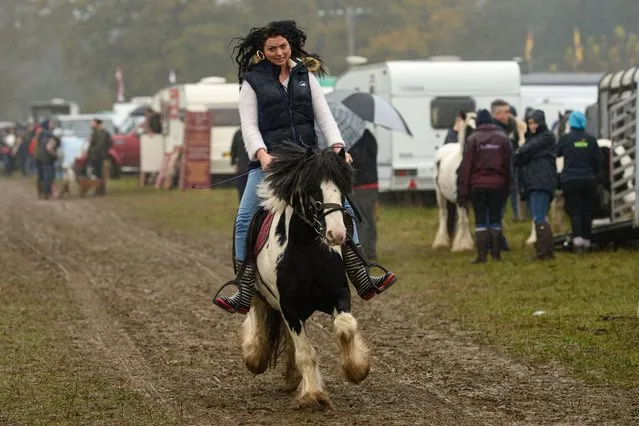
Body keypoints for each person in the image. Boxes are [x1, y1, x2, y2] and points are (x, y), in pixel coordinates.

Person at [212, 20, 396, 315]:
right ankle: (244, 286)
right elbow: (248, 125)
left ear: (290, 46)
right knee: (245, 217)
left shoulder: (304, 75)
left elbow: (324, 117)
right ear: (262, 50)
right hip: (270, 162)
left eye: (283, 46)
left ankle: (361, 272)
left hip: (307, 160)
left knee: (343, 208)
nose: (279, 52)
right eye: (272, 48)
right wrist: (261, 155)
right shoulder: (252, 81)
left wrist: (338, 147)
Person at [457, 109, 512, 263]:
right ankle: (496, 254)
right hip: (498, 185)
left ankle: (482, 256)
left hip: (478, 186)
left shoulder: (473, 139)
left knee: (481, 219)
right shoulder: (503, 138)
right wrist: (509, 185)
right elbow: (508, 164)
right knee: (496, 219)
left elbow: (466, 167)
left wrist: (463, 190)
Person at [556, 111, 602, 253]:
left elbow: (556, 153)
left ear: (571, 123)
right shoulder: (591, 140)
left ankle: (578, 242)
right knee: (587, 212)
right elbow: (599, 161)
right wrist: (592, 174)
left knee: (575, 211)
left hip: (570, 180)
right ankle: (587, 242)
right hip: (588, 180)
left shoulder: (565, 139)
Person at [514, 109, 557, 260]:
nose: (532, 126)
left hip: (541, 181)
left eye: (534, 122)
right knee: (539, 216)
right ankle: (545, 250)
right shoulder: (536, 139)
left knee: (539, 216)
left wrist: (520, 152)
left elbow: (525, 151)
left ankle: (544, 252)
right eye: (530, 123)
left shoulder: (546, 137)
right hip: (535, 182)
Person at [349, 129, 379, 260]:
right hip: (372, 184)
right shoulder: (369, 136)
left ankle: (364, 251)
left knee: (362, 219)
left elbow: (360, 161)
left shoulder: (356, 140)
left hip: (362, 185)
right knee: (369, 218)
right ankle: (371, 249)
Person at [34, 118, 60, 199]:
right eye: (51, 123)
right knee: (49, 176)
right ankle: (46, 193)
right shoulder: (50, 136)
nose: (52, 124)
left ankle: (40, 193)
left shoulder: (40, 135)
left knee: (41, 176)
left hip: (38, 158)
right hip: (47, 159)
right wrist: (56, 155)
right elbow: (49, 148)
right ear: (47, 125)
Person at [87, 118, 113, 196]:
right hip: (94, 156)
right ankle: (98, 189)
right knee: (97, 174)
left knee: (101, 174)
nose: (91, 124)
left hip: (101, 156)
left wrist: (93, 151)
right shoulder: (94, 133)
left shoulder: (103, 133)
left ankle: (101, 190)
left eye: (93, 123)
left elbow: (101, 145)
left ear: (98, 124)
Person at [230, 129, 249, 201]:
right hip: (253, 169)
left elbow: (233, 149)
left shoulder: (238, 133)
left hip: (241, 169)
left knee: (242, 192)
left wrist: (233, 162)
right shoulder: (257, 132)